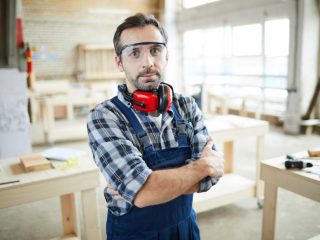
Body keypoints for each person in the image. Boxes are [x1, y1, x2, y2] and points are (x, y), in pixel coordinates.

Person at [87, 13, 224, 240]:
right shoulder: (104, 117)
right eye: (134, 52)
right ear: (119, 62)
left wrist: (148, 186)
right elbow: (143, 192)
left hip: (185, 228)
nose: (148, 62)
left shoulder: (186, 106)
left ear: (166, 56)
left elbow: (212, 178)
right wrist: (202, 166)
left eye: (155, 50)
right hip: (134, 234)